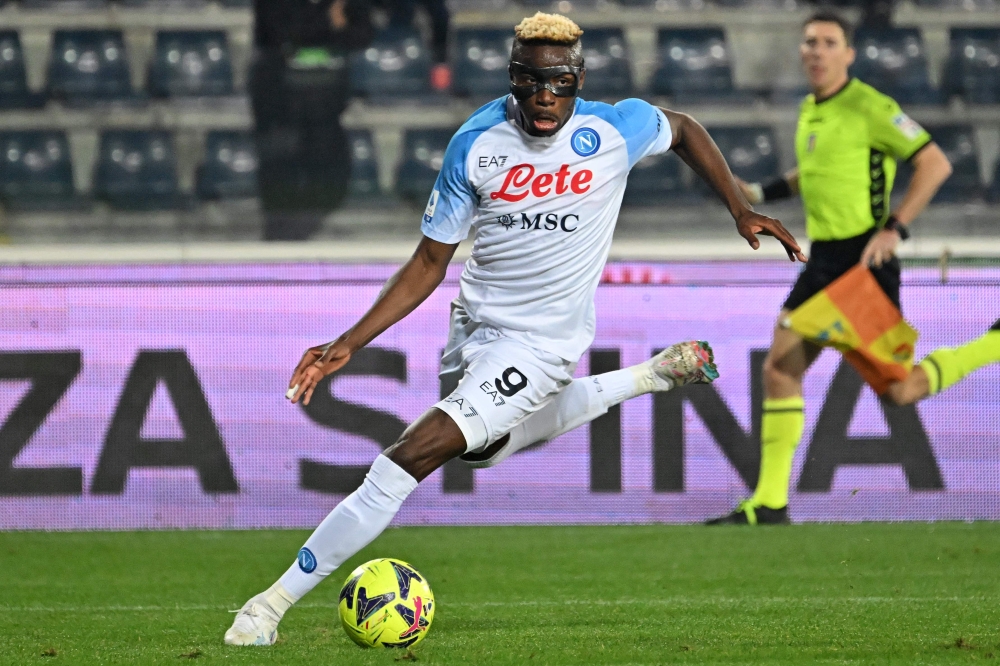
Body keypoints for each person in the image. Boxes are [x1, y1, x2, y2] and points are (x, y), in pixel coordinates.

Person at [224, 12, 805, 645]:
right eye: (531, 81)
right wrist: (348, 342)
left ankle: (267, 606)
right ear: (512, 77)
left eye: (559, 81)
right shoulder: (475, 144)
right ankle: (650, 375)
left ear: (579, 79)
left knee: (408, 457)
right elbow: (427, 261)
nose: (545, 96)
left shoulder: (612, 128)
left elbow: (686, 129)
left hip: (545, 346)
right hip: (475, 328)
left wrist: (740, 208)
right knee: (484, 448)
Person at [708, 11, 1000, 526]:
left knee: (901, 391)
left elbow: (935, 162)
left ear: (849, 54)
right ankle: (770, 502)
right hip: (825, 261)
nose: (816, 51)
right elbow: (815, 170)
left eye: (829, 42)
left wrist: (897, 228)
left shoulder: (871, 106)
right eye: (809, 42)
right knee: (779, 367)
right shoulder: (810, 109)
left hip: (864, 262)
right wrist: (760, 193)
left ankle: (995, 342)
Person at [251, 0, 373, 241]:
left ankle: (306, 231)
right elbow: (276, 35)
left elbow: (363, 34)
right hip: (280, 108)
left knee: (333, 174)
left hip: (327, 109)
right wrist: (329, 24)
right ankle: (280, 240)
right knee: (281, 175)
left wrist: (339, 26)